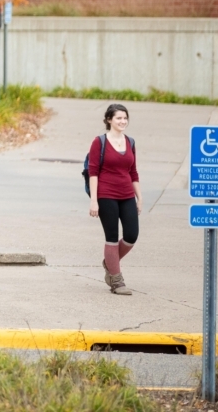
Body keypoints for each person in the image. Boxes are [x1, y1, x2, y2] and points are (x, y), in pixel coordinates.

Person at [88, 103, 141, 296]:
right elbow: (93, 172)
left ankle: (110, 262)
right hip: (106, 194)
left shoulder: (131, 142)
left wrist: (139, 197)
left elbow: (133, 172)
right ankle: (117, 281)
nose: (123, 121)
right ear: (109, 120)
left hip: (127, 194)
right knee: (111, 237)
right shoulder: (99, 142)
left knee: (131, 235)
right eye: (118, 118)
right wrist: (94, 200)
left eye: (125, 118)